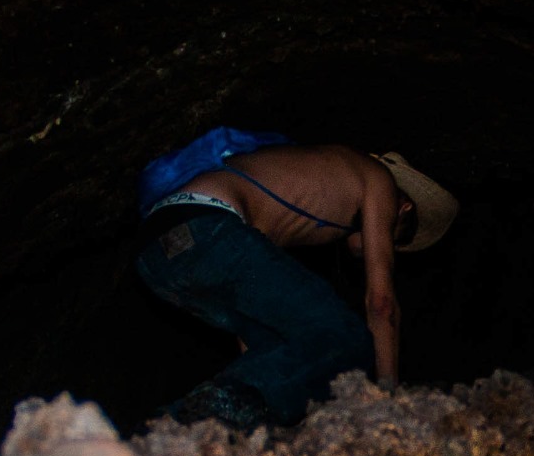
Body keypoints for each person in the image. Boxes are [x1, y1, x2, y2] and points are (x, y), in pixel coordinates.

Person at [134, 126, 459, 430]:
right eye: (395, 237)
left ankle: (175, 429)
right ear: (402, 209)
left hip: (157, 253)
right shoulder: (379, 180)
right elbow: (382, 304)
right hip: (208, 222)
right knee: (344, 334)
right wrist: (388, 400)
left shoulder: (306, 187)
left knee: (282, 349)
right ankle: (209, 413)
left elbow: (254, 324)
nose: (386, 242)